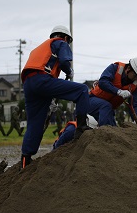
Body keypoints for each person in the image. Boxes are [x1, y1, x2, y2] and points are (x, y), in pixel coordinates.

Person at [20, 25, 91, 169]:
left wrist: (50, 97)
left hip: (29, 84)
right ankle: (81, 128)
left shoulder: (39, 49)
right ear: (65, 37)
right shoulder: (60, 42)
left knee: (35, 123)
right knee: (82, 90)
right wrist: (69, 71)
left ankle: (25, 159)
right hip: (42, 80)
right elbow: (65, 61)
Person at [88, 57, 137, 126]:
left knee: (114, 130)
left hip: (107, 110)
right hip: (91, 101)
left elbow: (134, 104)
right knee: (106, 108)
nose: (136, 79)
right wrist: (118, 91)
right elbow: (103, 82)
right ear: (128, 69)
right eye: (135, 76)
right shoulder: (114, 68)